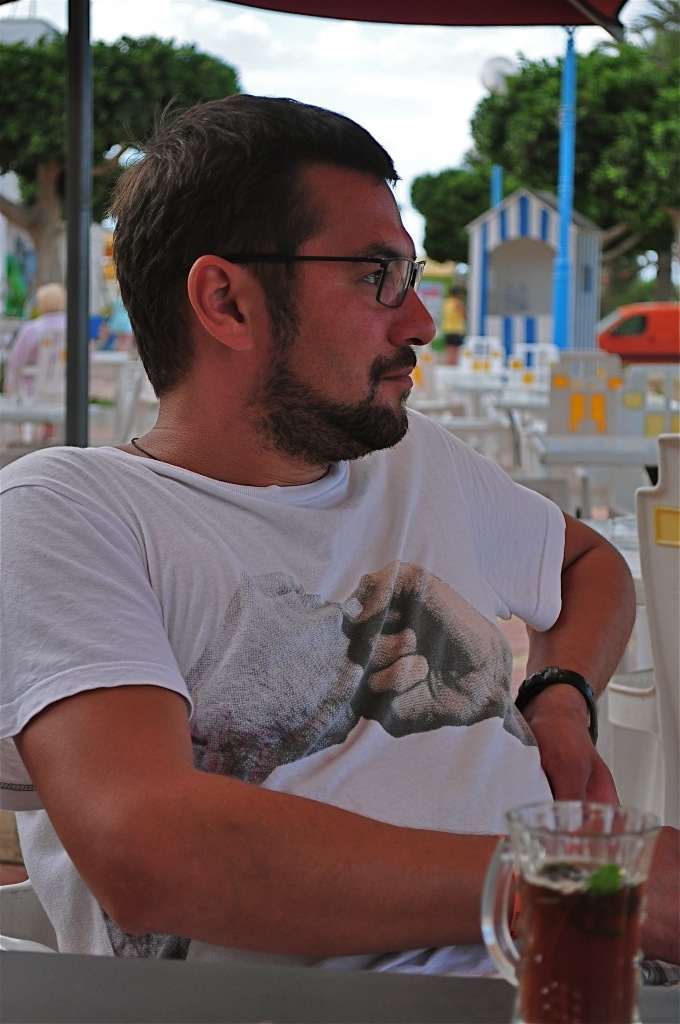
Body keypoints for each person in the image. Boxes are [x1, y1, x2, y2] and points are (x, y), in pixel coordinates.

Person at [1, 95, 677, 972]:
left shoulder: (414, 460)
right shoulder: (70, 512)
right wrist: (573, 880)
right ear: (226, 302)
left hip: (584, 970)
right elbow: (150, 849)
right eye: (375, 277)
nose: (421, 320)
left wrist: (558, 698)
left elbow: (587, 563)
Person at [3, 282, 66, 396]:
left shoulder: (32, 329)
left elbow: (16, 361)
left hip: (32, 389)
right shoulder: (75, 328)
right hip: (66, 387)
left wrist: (9, 387)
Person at [441, 284, 466, 365]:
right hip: (456, 329)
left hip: (447, 328)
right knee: (454, 351)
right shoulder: (458, 303)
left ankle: (447, 364)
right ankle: (451, 365)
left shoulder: (446, 302)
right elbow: (464, 315)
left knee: (449, 350)